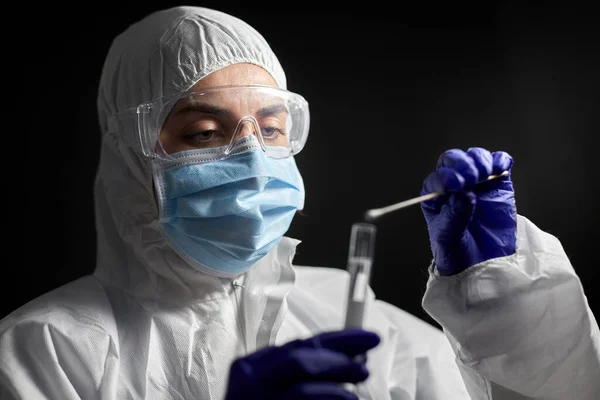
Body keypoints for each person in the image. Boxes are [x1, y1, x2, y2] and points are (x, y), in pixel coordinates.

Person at [1, 6, 598, 400]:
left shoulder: (352, 315)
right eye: (205, 133)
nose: (254, 160)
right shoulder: (41, 352)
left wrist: (507, 312)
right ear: (129, 157)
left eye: (272, 127)